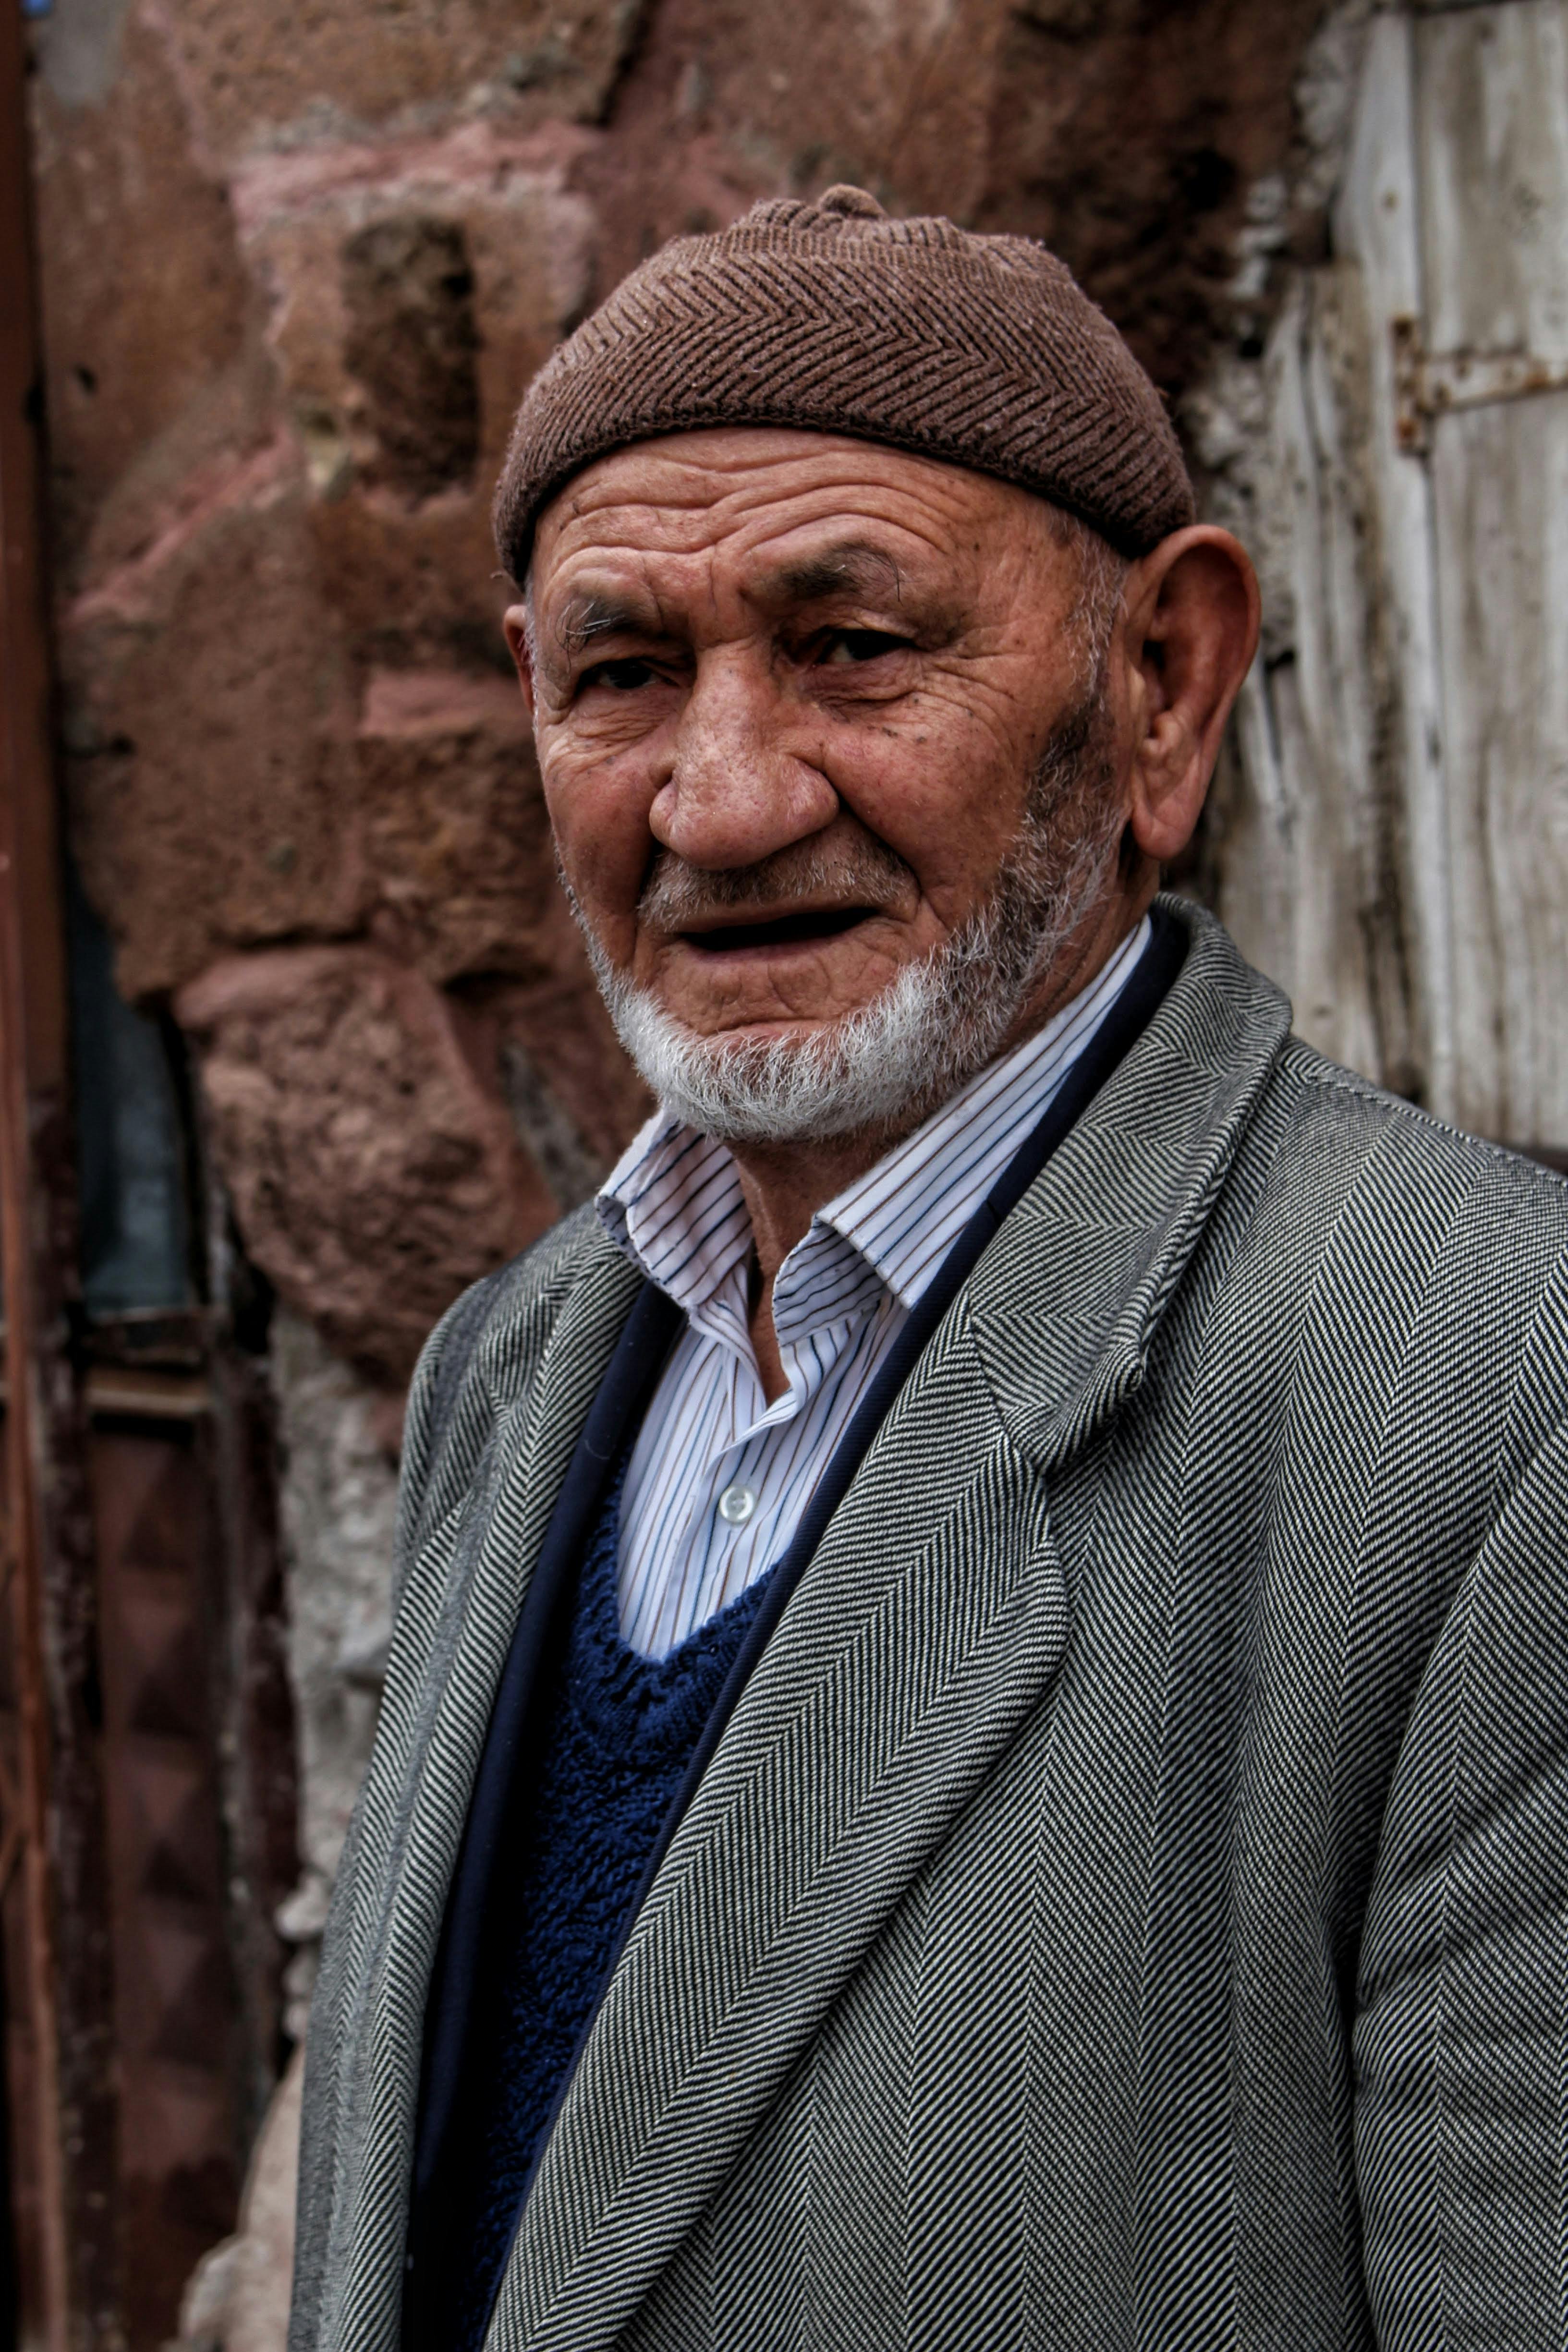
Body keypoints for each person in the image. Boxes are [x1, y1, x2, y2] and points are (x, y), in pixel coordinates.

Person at [290, 189, 1568, 2352]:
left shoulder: (1490, 1399)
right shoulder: (507, 1374)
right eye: (620, 673)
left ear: (1162, 682)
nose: (716, 798)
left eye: (853, 647)